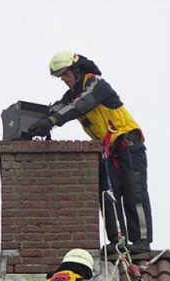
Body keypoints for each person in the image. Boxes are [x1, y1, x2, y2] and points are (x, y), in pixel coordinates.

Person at [29, 51, 153, 254]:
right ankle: (117, 241)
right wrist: (34, 124)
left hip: (128, 144)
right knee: (108, 194)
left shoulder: (96, 84)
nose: (63, 79)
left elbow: (81, 104)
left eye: (65, 74)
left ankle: (141, 241)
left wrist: (52, 121)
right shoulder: (71, 96)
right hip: (108, 151)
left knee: (134, 192)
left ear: (77, 70)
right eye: (60, 76)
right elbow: (58, 108)